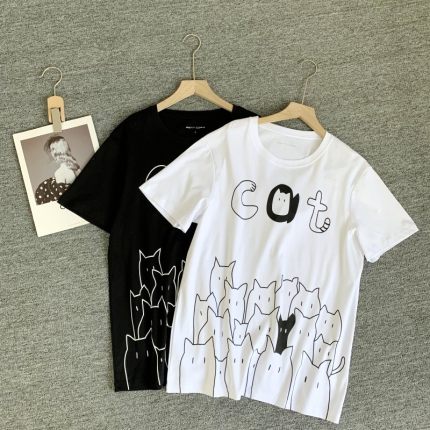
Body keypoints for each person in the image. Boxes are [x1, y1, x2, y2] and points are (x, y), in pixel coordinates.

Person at [35, 135, 81, 205]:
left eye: (53, 149)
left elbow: (62, 198)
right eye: (51, 150)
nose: (52, 152)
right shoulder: (75, 168)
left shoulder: (60, 172)